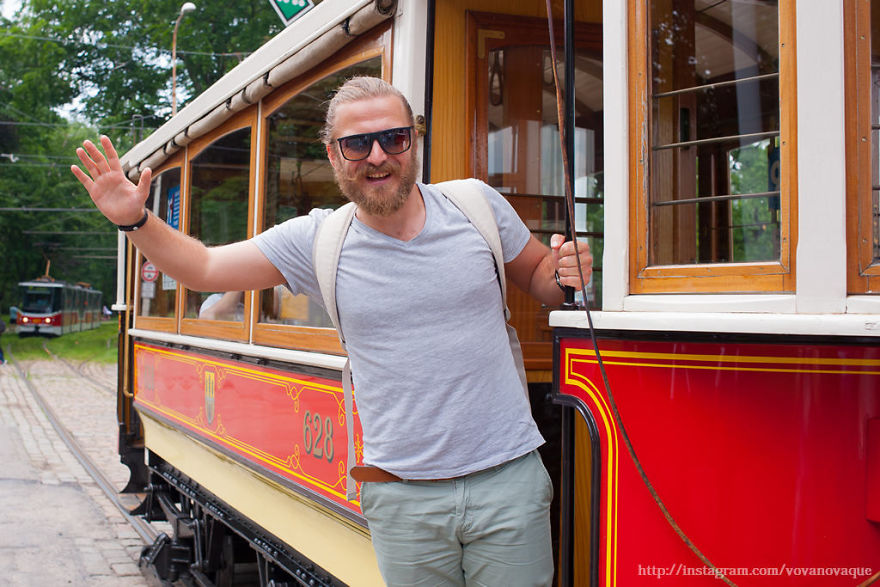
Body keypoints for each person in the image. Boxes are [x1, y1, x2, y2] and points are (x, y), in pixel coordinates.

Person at [71, 77, 592, 586]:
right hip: (403, 496)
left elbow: (541, 280)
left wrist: (567, 269)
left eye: (394, 138)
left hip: (507, 478)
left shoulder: (476, 206)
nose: (378, 156)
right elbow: (204, 268)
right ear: (333, 153)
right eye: (357, 143)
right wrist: (136, 221)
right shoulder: (318, 238)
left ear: (414, 139)